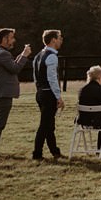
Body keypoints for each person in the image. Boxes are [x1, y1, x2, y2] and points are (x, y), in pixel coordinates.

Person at [0, 28, 32, 157]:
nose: (14, 40)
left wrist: (21, 55)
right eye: (11, 37)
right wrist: (24, 56)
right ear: (5, 39)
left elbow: (11, 65)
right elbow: (15, 68)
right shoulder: (3, 54)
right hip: (3, 94)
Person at [32, 29, 64, 160]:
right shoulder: (52, 56)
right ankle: (37, 153)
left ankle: (55, 151)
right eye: (60, 37)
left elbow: (35, 76)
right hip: (48, 94)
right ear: (53, 40)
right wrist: (58, 96)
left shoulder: (38, 55)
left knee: (49, 125)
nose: (61, 40)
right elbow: (52, 78)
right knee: (45, 125)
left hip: (40, 92)